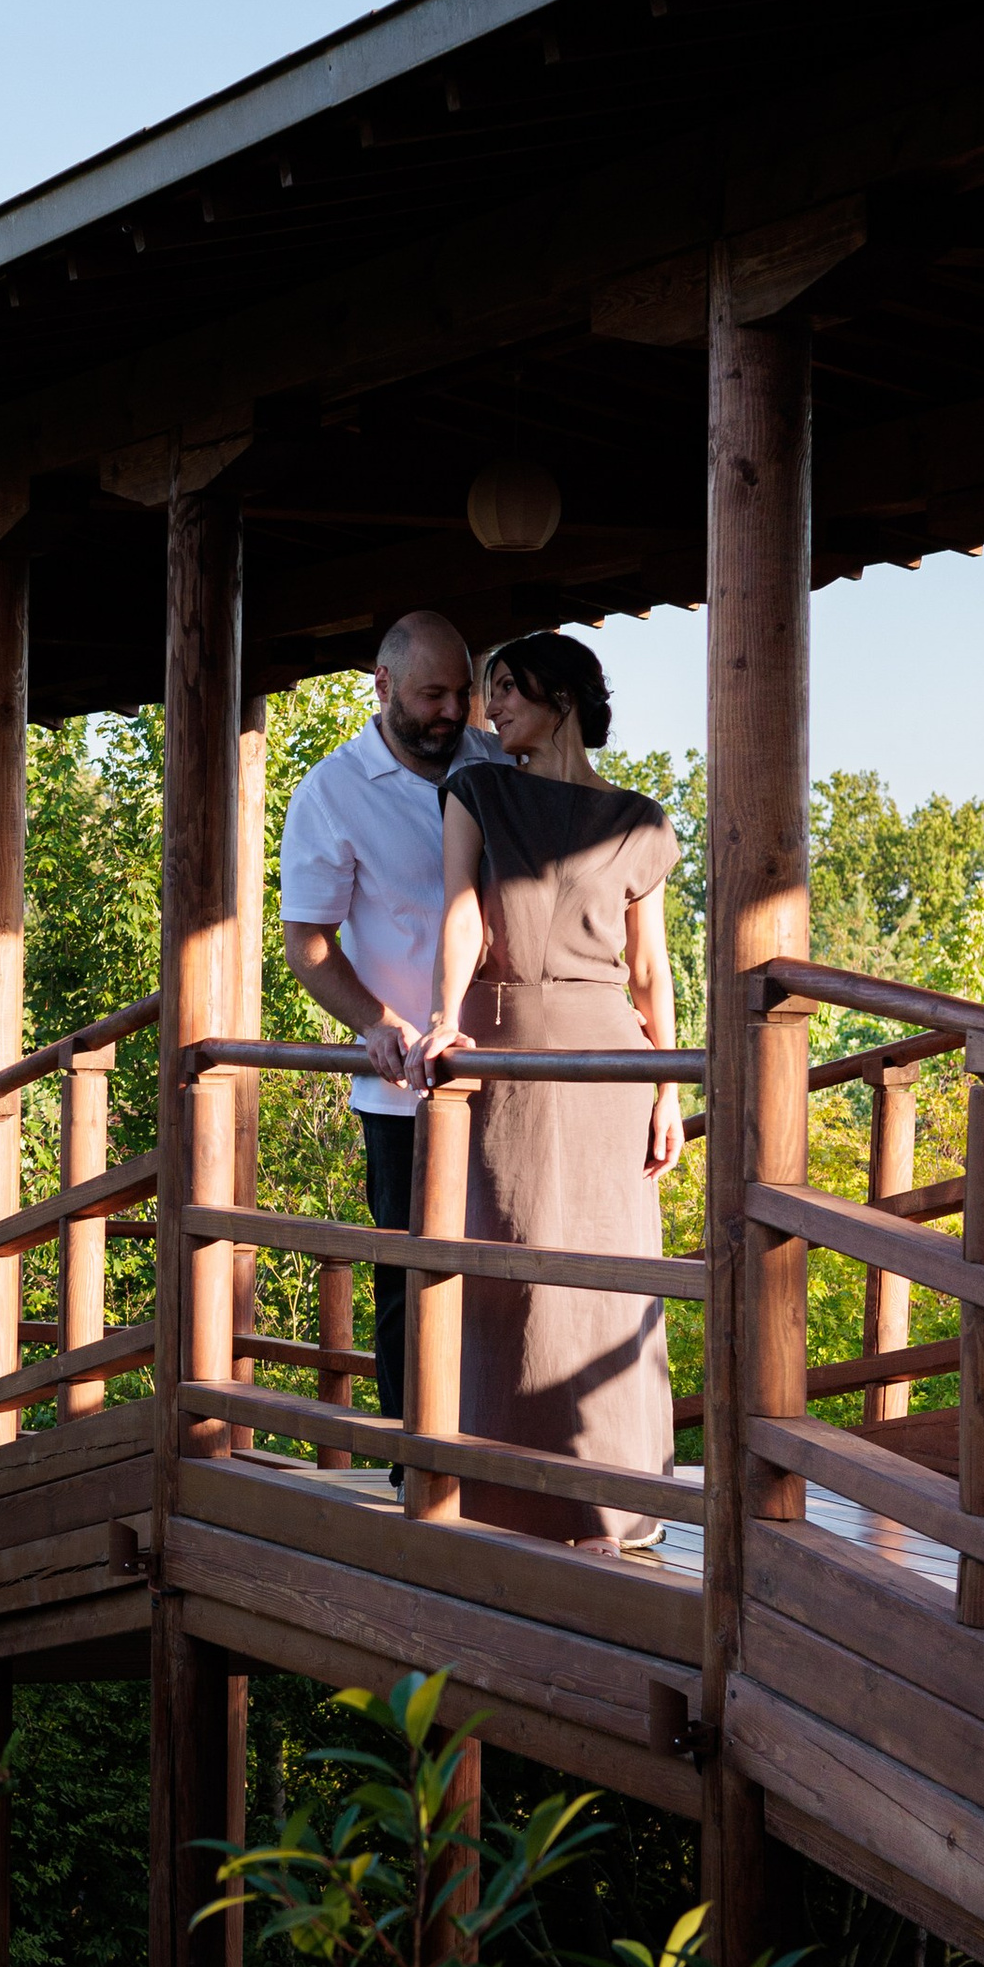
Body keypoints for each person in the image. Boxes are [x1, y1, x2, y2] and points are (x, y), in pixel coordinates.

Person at [425, 628, 684, 1552]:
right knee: (509, 1263)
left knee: (609, 1278)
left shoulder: (642, 821)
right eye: (489, 693)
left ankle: (617, 1501)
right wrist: (443, 1016)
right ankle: (498, 1488)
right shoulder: (476, 788)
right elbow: (460, 910)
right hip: (503, 1048)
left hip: (612, 1058)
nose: (488, 710)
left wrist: (666, 1086)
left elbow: (651, 969)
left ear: (561, 700)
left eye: (507, 691)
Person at [277, 611, 505, 1433]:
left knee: (513, 1276)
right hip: (407, 1089)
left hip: (516, 1072)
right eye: (433, 694)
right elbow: (306, 942)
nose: (454, 711)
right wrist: (374, 1023)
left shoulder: (497, 758)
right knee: (411, 1283)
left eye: (463, 693)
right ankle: (419, 1466)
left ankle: (502, 1457)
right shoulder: (330, 793)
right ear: (382, 687)